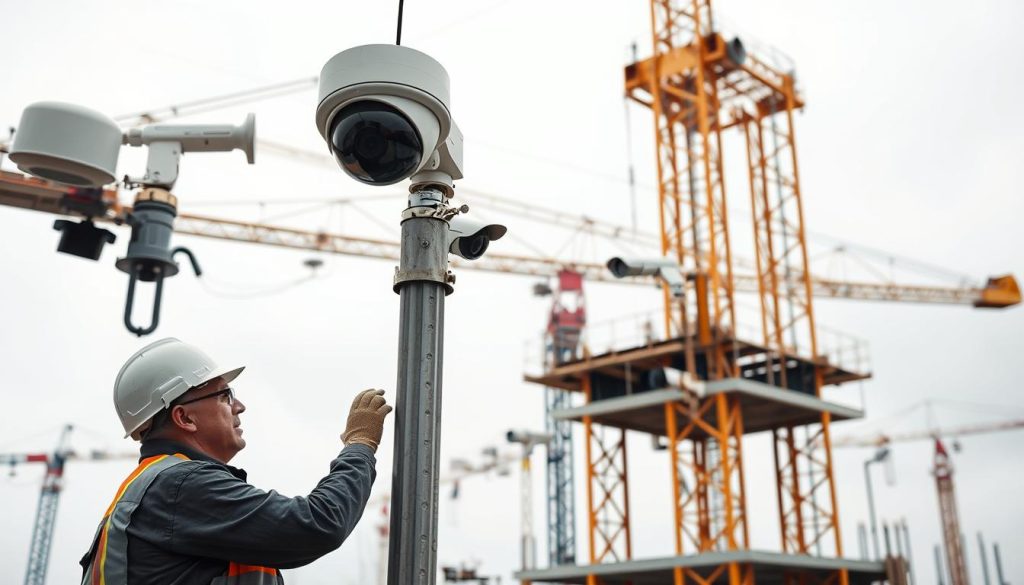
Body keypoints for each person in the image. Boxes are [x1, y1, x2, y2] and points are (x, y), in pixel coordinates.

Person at [80, 337, 392, 584]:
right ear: (184, 417)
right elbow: (318, 524)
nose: (239, 406)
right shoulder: (180, 487)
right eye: (224, 395)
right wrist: (359, 446)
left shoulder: (158, 489)